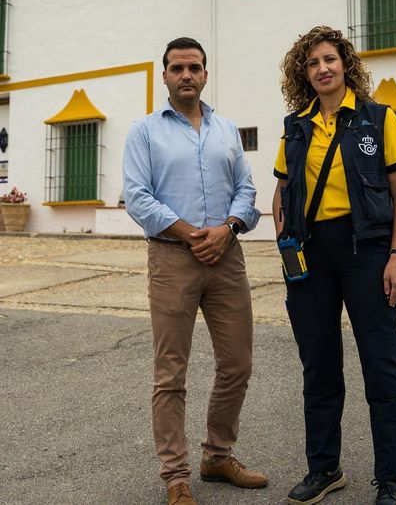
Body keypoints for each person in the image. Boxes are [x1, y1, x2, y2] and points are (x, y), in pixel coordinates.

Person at [271, 26, 396, 505]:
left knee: (382, 367)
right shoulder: (296, 125)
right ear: (304, 74)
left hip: (367, 252)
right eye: (312, 63)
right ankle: (324, 469)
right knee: (319, 366)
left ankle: (391, 481)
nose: (322, 69)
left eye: (329, 59)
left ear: (345, 64)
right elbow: (281, 191)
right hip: (312, 255)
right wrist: (284, 242)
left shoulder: (378, 119)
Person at [123, 37, 266, 505]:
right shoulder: (144, 131)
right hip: (171, 258)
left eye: (195, 67)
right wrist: (190, 233)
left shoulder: (226, 130)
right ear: (164, 75)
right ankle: (176, 475)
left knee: (237, 364)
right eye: (177, 67)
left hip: (226, 258)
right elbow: (138, 197)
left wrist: (226, 228)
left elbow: (246, 190)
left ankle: (218, 456)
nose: (187, 75)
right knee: (171, 372)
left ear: (206, 74)